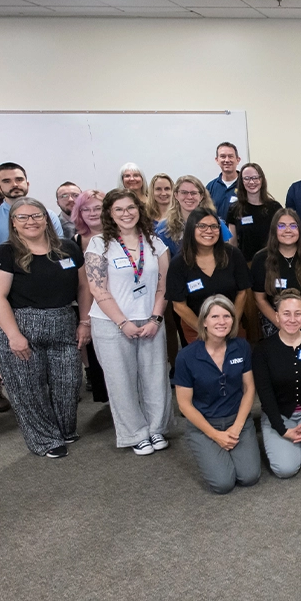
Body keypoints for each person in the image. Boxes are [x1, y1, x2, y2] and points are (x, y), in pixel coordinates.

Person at [0, 197, 85, 458]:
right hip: (19, 324)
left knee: (69, 381)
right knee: (27, 387)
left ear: (46, 219)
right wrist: (14, 336)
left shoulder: (68, 248)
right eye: (23, 217)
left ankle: (63, 430)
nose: (31, 221)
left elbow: (84, 287)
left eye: (37, 215)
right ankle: (44, 439)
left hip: (62, 320)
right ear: (13, 223)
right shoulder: (3, 253)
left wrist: (85, 321)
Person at [83, 188, 171, 455]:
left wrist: (156, 318)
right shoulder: (99, 244)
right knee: (121, 380)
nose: (126, 214)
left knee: (155, 377)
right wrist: (123, 323)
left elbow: (163, 285)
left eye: (131, 208)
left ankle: (156, 429)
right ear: (110, 213)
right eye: (119, 209)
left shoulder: (156, 243)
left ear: (139, 209)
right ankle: (135, 433)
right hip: (112, 323)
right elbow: (98, 290)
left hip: (151, 318)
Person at [174, 294, 261, 493]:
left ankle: (230, 449)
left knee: (249, 477)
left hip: (237, 420)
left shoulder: (241, 347)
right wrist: (216, 435)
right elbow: (184, 405)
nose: (222, 322)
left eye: (227, 316)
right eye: (214, 317)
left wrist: (237, 427)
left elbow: (249, 389)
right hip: (205, 424)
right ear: (204, 321)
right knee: (223, 484)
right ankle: (212, 448)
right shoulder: (187, 356)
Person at [252, 289, 301, 478]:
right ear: (277, 316)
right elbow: (265, 393)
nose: (292, 319)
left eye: (298, 314)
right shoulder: (263, 350)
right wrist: (282, 429)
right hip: (280, 415)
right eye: (286, 314)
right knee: (286, 469)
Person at [166, 207, 250, 344]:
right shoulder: (179, 263)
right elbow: (178, 305)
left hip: (232, 328)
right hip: (196, 330)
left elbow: (242, 293)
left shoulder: (233, 255)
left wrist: (231, 325)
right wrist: (204, 331)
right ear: (191, 229)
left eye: (214, 226)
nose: (209, 231)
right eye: (202, 226)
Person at [251, 209, 301, 338]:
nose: (288, 230)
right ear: (274, 230)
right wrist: (279, 322)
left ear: (300, 230)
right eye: (281, 226)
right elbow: (259, 298)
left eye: (293, 226)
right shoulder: (261, 258)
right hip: (274, 321)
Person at [70, 188, 109, 403]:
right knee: (93, 352)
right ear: (79, 213)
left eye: (98, 208)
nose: (93, 213)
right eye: (86, 209)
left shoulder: (120, 236)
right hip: (87, 304)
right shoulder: (75, 241)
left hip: (115, 303)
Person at [0, 162, 65, 252]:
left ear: (27, 184)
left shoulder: (48, 215)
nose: (15, 184)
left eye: (19, 179)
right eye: (7, 181)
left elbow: (58, 248)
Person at [157, 175, 230, 259]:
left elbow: (226, 255)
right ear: (176, 195)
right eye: (184, 192)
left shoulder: (217, 224)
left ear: (201, 196)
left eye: (194, 193)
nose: (189, 197)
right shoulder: (163, 228)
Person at [228, 163, 281, 267]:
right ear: (241, 182)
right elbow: (232, 244)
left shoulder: (275, 208)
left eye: (255, 178)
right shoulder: (234, 209)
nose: (251, 182)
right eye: (246, 178)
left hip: (272, 264)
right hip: (246, 266)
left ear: (262, 179)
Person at [205, 142, 242, 217]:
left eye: (230, 156)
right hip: (216, 228)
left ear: (238, 160)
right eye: (223, 156)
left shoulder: (246, 185)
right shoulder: (210, 187)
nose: (227, 160)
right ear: (217, 160)